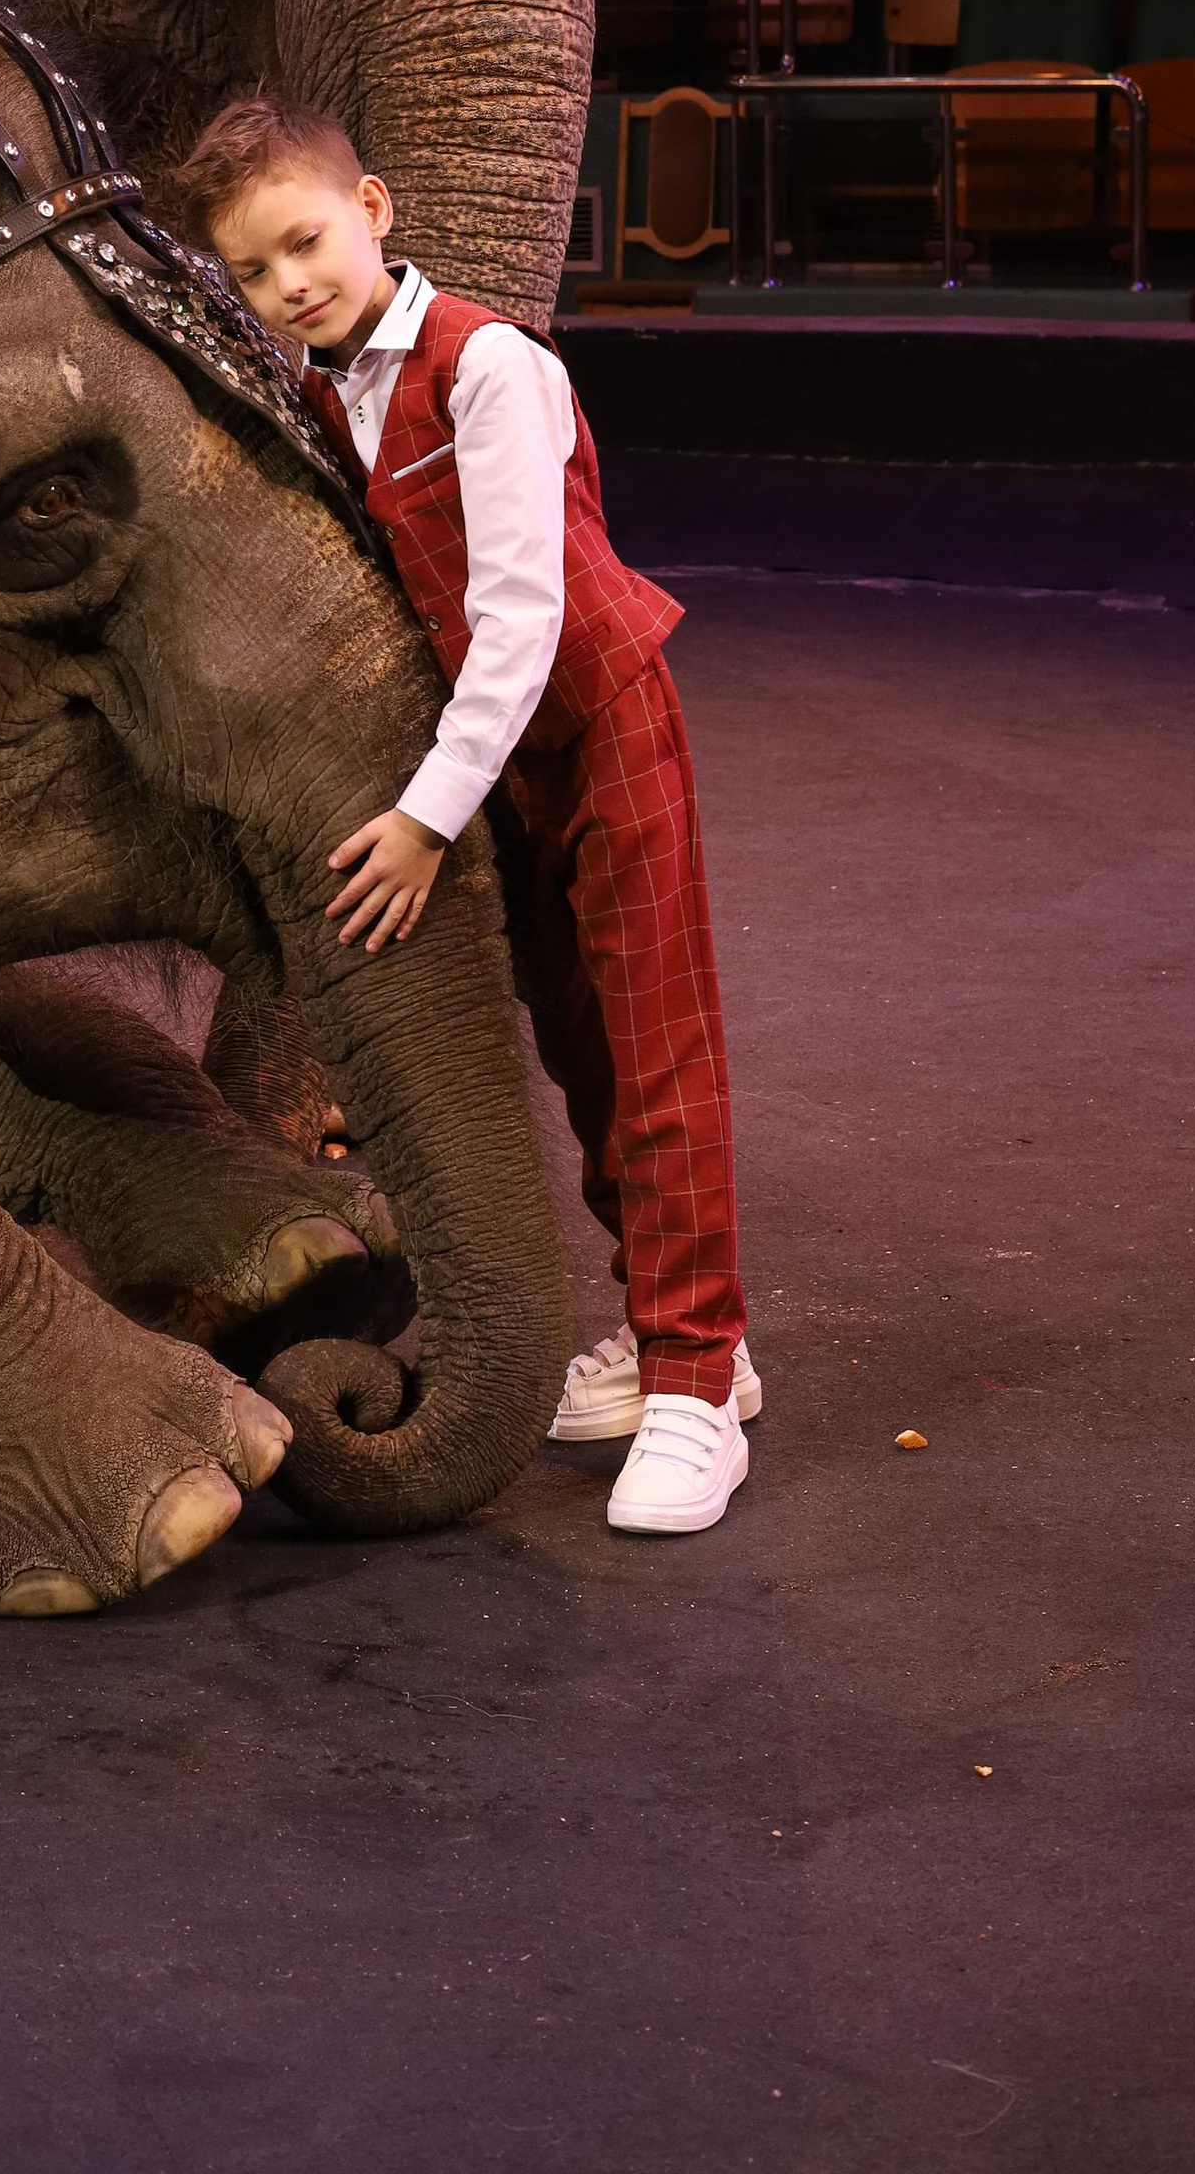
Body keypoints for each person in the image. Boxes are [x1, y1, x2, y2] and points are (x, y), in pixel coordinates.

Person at [168, 95, 757, 1537]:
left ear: (372, 210)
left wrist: (427, 821)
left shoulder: (488, 367)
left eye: (304, 242)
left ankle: (695, 1385)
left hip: (597, 727)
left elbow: (520, 627)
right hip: (499, 767)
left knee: (654, 1053)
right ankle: (697, 1343)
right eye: (253, 271)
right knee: (580, 1056)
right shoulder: (322, 389)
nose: (290, 284)